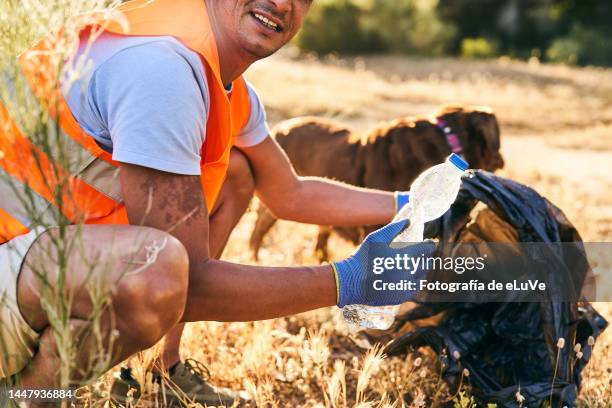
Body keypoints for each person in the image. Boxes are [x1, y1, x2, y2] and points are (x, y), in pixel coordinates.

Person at [0, 0, 433, 405]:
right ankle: (27, 400)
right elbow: (189, 287)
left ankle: (158, 372)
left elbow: (289, 193)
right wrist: (350, 281)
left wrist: (422, 203)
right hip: (11, 262)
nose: (281, 2)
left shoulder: (221, 80)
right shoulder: (162, 69)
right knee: (156, 273)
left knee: (237, 172)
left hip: (31, 260)